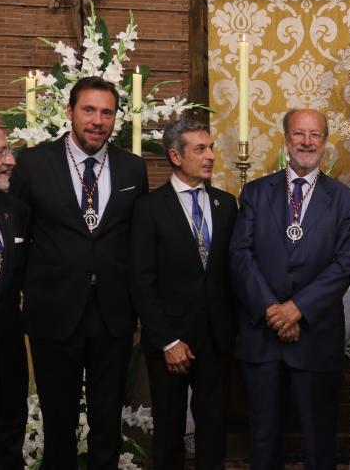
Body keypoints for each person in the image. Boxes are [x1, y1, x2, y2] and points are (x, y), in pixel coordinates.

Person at [10, 76, 149, 469]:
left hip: (112, 314)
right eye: (88, 109)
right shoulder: (34, 164)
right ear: (70, 112)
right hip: (53, 312)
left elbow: (136, 244)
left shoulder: (132, 169)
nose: (97, 120)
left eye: (107, 112)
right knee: (59, 423)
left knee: (107, 422)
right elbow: (17, 235)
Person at [229, 108, 350, 470]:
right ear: (286, 139)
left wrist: (296, 309)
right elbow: (240, 256)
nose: (307, 142)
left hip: (315, 335)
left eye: (315, 135)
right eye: (299, 134)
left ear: (324, 142)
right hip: (262, 335)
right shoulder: (255, 193)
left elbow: (343, 266)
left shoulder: (345, 200)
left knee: (319, 437)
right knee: (263, 434)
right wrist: (272, 309)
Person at [131, 117, 237, 469]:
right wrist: (167, 341)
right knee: (169, 430)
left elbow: (228, 273)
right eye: (200, 149)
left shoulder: (226, 203)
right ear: (176, 157)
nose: (210, 156)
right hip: (170, 341)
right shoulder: (149, 208)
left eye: (210, 148)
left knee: (213, 428)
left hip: (217, 337)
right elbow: (141, 279)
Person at [0, 128, 30, 470]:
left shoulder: (15, 210)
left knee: (10, 431)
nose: (11, 161)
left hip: (7, 344)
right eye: (0, 153)